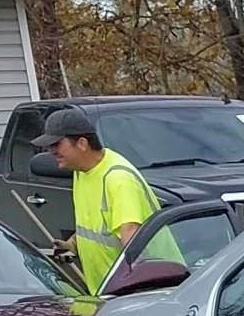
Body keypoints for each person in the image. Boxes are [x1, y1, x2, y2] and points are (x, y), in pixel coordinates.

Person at [33, 107, 162, 294]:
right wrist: (72, 245)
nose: (51, 151)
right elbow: (100, 226)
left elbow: (133, 242)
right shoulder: (81, 173)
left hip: (140, 291)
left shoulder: (118, 179)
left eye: (57, 144)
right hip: (109, 293)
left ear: (82, 143)